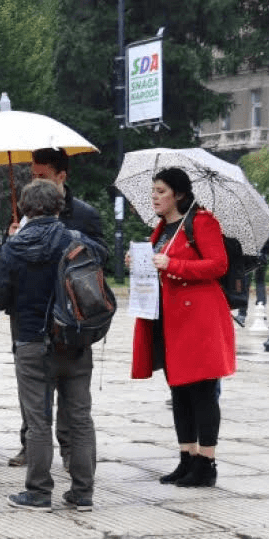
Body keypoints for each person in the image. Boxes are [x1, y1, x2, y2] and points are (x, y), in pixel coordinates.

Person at [0, 179, 102, 511]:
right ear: (58, 206)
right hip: (75, 341)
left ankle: (38, 491)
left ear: (25, 208)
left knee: (38, 420)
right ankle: (83, 493)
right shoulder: (76, 241)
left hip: (31, 341)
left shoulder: (14, 246)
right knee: (80, 418)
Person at [131, 167, 235, 487]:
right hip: (168, 318)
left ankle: (207, 463)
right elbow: (157, 264)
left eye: (161, 191)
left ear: (178, 193)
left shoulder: (201, 221)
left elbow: (218, 264)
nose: (154, 197)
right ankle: (187, 458)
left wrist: (172, 264)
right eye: (153, 191)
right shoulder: (162, 228)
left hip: (199, 319)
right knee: (178, 391)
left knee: (202, 391)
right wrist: (138, 262)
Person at [7, 147, 105, 468]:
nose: (35, 181)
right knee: (34, 397)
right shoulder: (24, 216)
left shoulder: (84, 216)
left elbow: (102, 256)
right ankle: (31, 446)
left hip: (71, 321)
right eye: (32, 175)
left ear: (61, 176)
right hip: (30, 321)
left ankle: (69, 455)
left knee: (74, 403)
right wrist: (13, 240)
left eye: (42, 176)